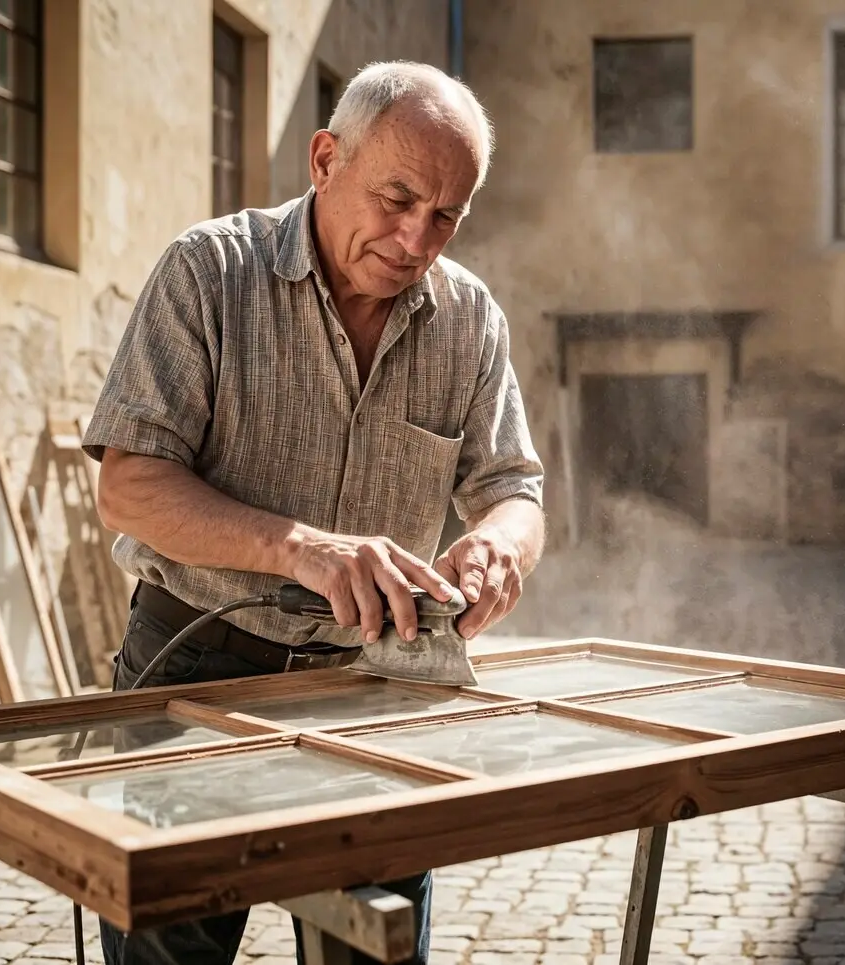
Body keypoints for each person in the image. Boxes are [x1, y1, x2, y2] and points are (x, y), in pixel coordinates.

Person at [81, 60, 546, 965]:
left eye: (446, 215)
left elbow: (514, 488)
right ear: (326, 158)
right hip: (197, 670)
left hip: (376, 688)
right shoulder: (208, 271)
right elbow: (129, 485)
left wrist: (496, 547)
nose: (417, 238)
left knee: (373, 951)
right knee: (170, 953)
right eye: (399, 197)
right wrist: (302, 549)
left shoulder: (471, 318)